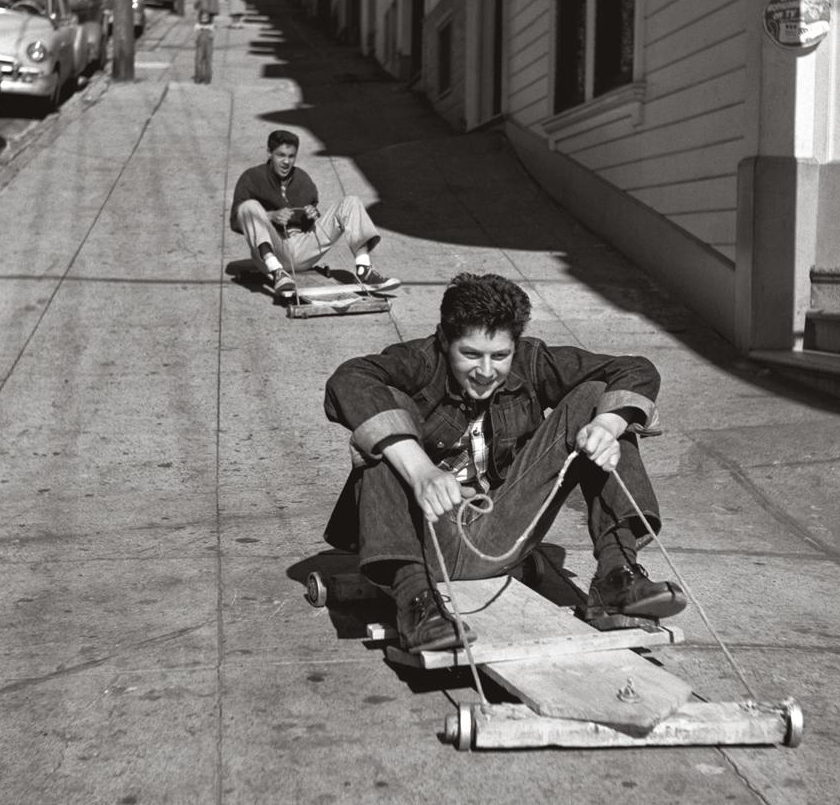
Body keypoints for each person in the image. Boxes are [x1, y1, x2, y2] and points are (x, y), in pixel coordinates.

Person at [322, 272, 687, 653]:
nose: (485, 371)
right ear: (445, 340)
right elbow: (348, 381)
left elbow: (636, 369)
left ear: (515, 345)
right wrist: (421, 470)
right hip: (423, 540)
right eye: (470, 354)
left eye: (500, 355)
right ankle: (416, 604)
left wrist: (606, 426)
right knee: (383, 416)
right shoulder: (418, 361)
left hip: (501, 530)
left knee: (602, 398)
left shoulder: (530, 361)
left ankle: (616, 575)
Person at [230, 129, 400, 300]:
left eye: (291, 156)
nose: (286, 162)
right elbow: (236, 221)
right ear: (269, 153)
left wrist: (312, 215)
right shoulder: (251, 178)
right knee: (248, 206)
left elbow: (310, 220)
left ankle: (364, 268)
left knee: (351, 202)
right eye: (280, 155)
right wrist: (270, 216)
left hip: (304, 248)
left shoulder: (303, 179)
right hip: (274, 248)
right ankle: (277, 272)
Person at [193, 10, 214, 84]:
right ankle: (199, 77)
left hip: (208, 45)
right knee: (198, 60)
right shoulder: (197, 26)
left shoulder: (211, 26)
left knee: (208, 61)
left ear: (209, 18)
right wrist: (197, 37)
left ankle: (207, 78)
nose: (204, 18)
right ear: (200, 17)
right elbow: (195, 37)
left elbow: (212, 36)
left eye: (206, 17)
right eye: (203, 17)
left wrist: (210, 33)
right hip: (200, 45)